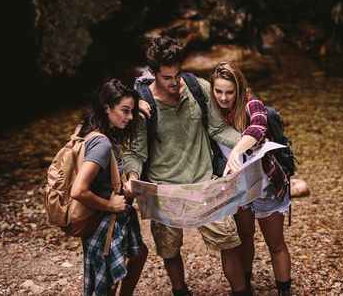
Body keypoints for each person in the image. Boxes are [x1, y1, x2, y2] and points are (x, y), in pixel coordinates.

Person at [123, 36, 253, 296]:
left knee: (229, 241)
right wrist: (132, 178)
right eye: (167, 78)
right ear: (153, 74)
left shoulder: (198, 87)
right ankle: (180, 290)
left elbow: (217, 128)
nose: (174, 83)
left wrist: (252, 143)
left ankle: (241, 292)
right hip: (164, 190)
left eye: (177, 74)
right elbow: (135, 152)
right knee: (170, 249)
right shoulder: (142, 105)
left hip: (204, 183)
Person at [210, 61, 292, 296]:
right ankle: (246, 287)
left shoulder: (251, 102)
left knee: (275, 243)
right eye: (218, 91)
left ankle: (285, 291)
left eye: (229, 92)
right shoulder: (212, 110)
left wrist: (236, 150)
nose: (224, 98)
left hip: (267, 184)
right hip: (238, 187)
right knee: (244, 237)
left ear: (239, 88)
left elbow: (258, 126)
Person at [70, 79, 149, 296]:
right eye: (125, 111)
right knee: (107, 284)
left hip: (108, 217)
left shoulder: (86, 128)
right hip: (105, 220)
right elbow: (78, 191)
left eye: (131, 111)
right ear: (107, 107)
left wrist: (135, 106)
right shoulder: (102, 143)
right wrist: (111, 205)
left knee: (139, 253)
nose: (130, 117)